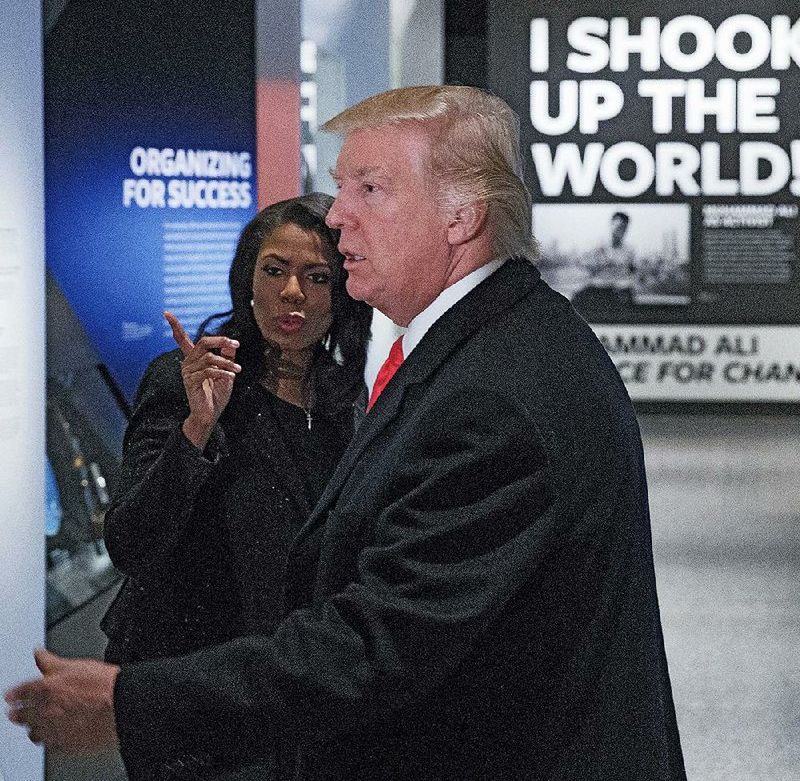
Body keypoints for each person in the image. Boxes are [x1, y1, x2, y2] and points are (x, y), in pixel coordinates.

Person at [6, 86, 686, 781]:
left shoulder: (490, 393)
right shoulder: (492, 347)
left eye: (370, 188)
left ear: (462, 217)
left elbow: (379, 644)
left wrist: (129, 703)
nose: (339, 216)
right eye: (340, 188)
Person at [103, 192, 370, 777]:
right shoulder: (191, 379)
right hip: (192, 689)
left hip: (286, 691)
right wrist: (198, 427)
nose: (292, 292)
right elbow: (131, 543)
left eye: (316, 276)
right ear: (247, 280)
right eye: (274, 271)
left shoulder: (343, 397)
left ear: (343, 291)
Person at [572, 210, 639, 318]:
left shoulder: (629, 250)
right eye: (618, 226)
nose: (621, 231)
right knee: (575, 301)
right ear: (611, 225)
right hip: (599, 288)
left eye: (624, 228)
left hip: (619, 290)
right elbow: (580, 262)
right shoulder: (598, 245)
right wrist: (598, 265)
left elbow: (633, 272)